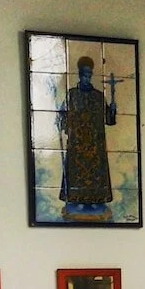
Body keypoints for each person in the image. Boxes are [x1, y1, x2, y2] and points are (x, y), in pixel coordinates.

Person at [59, 56, 117, 213]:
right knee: (76, 173)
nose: (87, 77)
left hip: (95, 145)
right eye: (84, 74)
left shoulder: (98, 96)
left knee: (96, 174)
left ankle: (96, 202)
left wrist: (112, 109)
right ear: (79, 74)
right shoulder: (71, 95)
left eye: (89, 74)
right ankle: (74, 200)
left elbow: (109, 121)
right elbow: (63, 117)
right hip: (77, 144)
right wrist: (63, 122)